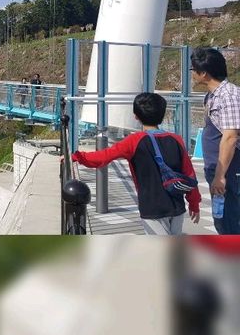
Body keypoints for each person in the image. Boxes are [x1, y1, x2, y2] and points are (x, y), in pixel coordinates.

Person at [70, 92, 201, 235]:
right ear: (162, 114)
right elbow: (189, 174)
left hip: (152, 209)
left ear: (136, 116)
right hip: (177, 207)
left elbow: (103, 157)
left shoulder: (134, 141)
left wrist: (77, 156)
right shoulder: (177, 139)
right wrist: (194, 203)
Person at [191, 47, 240, 234]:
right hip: (217, 167)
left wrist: (220, 176)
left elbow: (230, 137)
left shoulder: (229, 96)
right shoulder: (213, 95)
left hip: (229, 169)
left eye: (193, 69)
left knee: (230, 220)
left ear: (203, 73)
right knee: (221, 218)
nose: (192, 73)